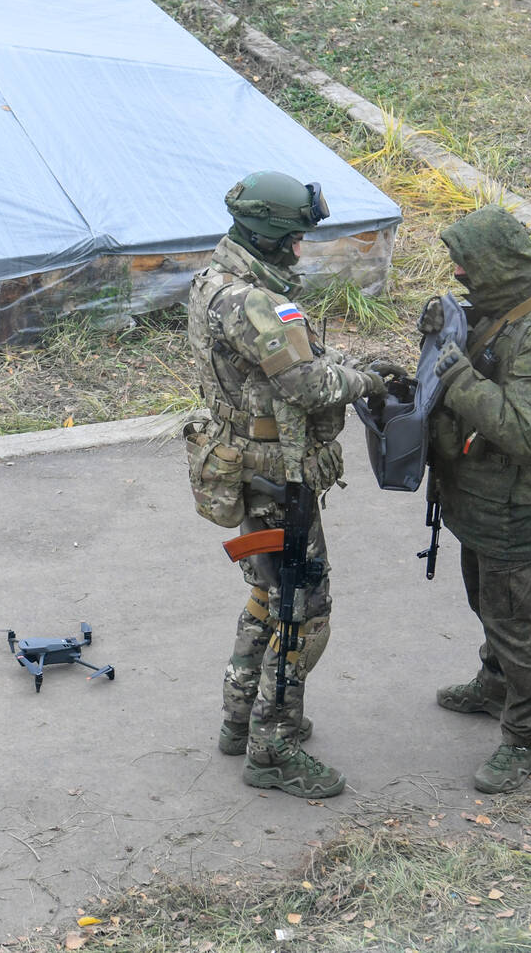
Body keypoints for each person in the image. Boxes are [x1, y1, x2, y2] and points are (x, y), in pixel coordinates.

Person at [185, 169, 392, 799]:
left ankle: (240, 715)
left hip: (244, 471)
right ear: (273, 236)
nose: (302, 247)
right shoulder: (254, 301)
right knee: (305, 611)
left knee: (267, 596)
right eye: (297, 236)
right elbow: (305, 385)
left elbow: (286, 363)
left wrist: (347, 365)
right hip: (277, 480)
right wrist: (369, 381)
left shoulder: (215, 279)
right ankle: (271, 749)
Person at [418, 204, 531, 794]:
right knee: (489, 606)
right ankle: (494, 686)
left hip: (518, 513)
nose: (459, 275)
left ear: (496, 266)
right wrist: (446, 328)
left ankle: (525, 740)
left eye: (466, 266)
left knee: (519, 626)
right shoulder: (507, 312)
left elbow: (529, 432)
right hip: (483, 502)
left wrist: (458, 378)